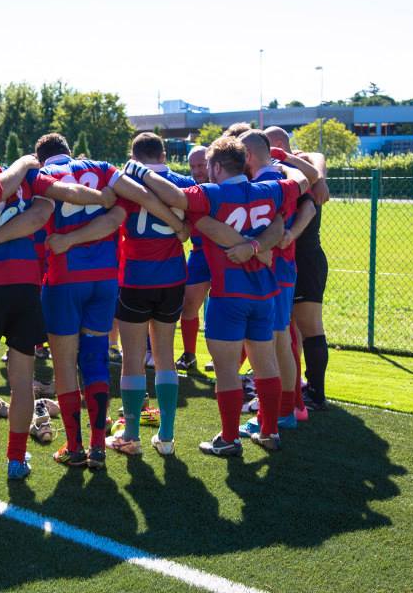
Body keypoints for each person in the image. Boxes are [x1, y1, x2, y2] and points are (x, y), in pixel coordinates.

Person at [127, 136, 312, 455]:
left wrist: (140, 172)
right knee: (265, 365)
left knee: (227, 371)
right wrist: (283, 163)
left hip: (228, 296)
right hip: (265, 293)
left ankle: (229, 438)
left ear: (215, 166)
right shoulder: (270, 189)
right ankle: (269, 432)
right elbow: (305, 181)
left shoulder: (211, 193)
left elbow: (173, 195)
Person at [0, 143, 117, 479]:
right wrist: (101, 198)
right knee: (22, 380)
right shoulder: (27, 178)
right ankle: (16, 458)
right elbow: (65, 193)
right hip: (27, 285)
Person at [35, 132, 187, 469]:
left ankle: (74, 446)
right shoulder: (103, 168)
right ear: (71, 152)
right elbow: (131, 206)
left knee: (64, 364)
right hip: (105, 281)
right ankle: (98, 447)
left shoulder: (42, 176)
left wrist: (67, 240)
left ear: (41, 156)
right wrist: (177, 223)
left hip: (63, 279)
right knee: (95, 359)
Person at [106, 132, 196, 457]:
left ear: (134, 155)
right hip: (172, 277)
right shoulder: (182, 182)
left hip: (134, 278)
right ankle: (167, 437)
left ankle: (131, 435)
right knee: (164, 355)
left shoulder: (124, 182)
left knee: (132, 359)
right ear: (162, 154)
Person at [237, 130, 319, 436]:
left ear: (247, 155)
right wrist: (291, 235)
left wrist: (280, 239)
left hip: (268, 271)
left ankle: (276, 415)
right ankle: (286, 410)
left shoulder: (257, 185)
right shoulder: (286, 177)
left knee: (267, 344)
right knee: (281, 340)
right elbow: (309, 204)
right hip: (286, 269)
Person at [264, 127, 330, 411]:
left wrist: (289, 235)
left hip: (304, 258)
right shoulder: (291, 170)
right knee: (287, 328)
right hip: (292, 259)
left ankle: (315, 392)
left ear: (278, 146)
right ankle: (293, 389)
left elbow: (311, 203)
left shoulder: (294, 170)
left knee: (309, 326)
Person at [176, 145, 211, 372]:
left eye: (202, 165)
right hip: (199, 254)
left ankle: (232, 360)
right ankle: (189, 354)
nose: (197, 170)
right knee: (188, 306)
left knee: (226, 309)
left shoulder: (224, 187)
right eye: (193, 166)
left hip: (227, 255)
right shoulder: (189, 188)